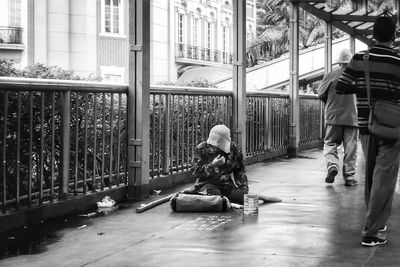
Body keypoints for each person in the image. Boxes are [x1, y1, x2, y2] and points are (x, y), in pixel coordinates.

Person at [336, 16, 400, 247]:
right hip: (392, 128)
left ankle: (377, 222)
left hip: (366, 125)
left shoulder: (359, 59)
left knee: (372, 175)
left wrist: (366, 89)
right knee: (385, 178)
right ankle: (371, 232)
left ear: (374, 35)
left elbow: (342, 87)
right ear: (394, 35)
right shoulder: (397, 61)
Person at [318, 49, 359, 186]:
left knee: (330, 143)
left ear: (339, 62)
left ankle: (332, 165)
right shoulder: (357, 77)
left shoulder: (330, 76)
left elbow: (321, 94)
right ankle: (349, 177)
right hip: (352, 117)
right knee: (351, 148)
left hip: (333, 116)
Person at [190, 124, 249, 205]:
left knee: (245, 200)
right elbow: (195, 172)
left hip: (227, 185)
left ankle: (226, 201)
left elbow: (239, 170)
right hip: (207, 185)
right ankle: (223, 202)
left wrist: (243, 187)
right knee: (215, 200)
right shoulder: (202, 149)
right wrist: (212, 165)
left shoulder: (232, 149)